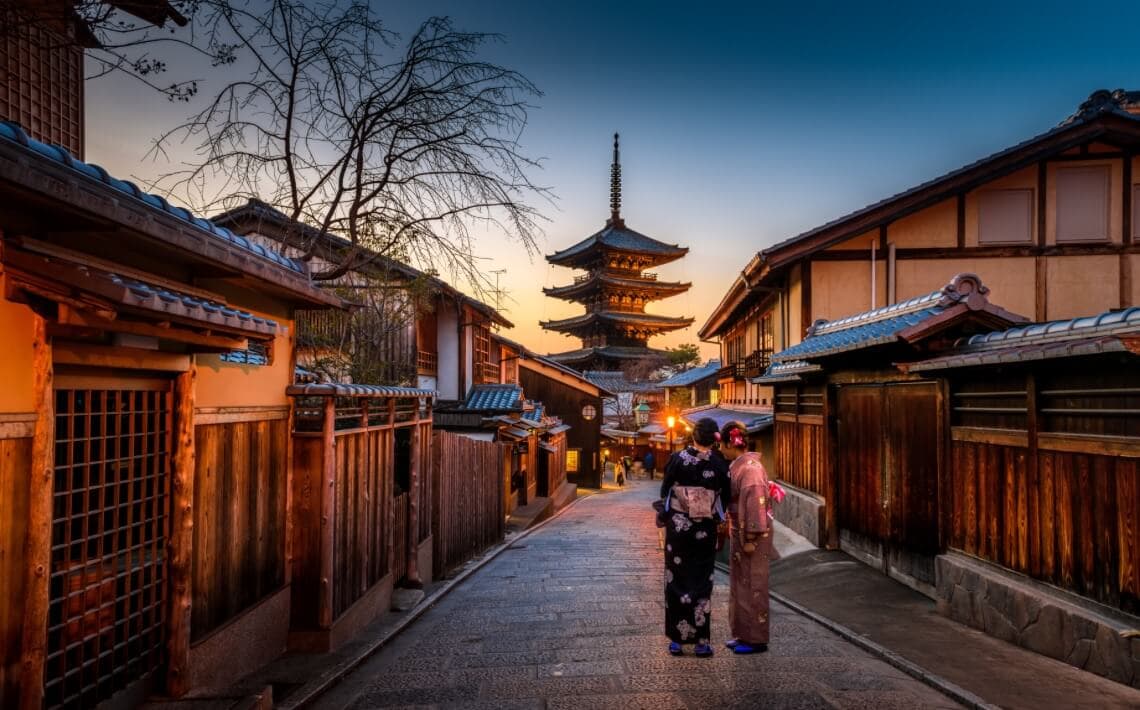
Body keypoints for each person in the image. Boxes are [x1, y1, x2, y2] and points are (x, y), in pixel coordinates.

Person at [658, 417, 731, 657]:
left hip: (679, 530)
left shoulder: (677, 459)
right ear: (715, 439)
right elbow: (725, 496)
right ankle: (702, 641)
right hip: (704, 530)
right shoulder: (719, 462)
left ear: (693, 436)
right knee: (701, 581)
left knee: (676, 579)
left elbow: (665, 490)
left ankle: (677, 641)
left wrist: (670, 511)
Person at [719, 421, 783, 654]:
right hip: (740, 530)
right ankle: (742, 633)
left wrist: (751, 536)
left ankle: (755, 639)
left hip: (752, 534)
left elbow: (755, 504)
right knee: (740, 583)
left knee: (754, 584)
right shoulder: (740, 466)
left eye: (722, 445)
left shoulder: (751, 469)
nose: (720, 449)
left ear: (729, 442)